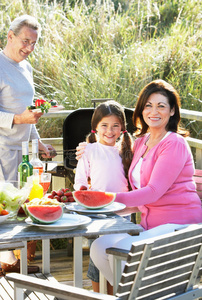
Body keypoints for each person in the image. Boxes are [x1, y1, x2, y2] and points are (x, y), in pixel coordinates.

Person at [77, 80, 202, 295]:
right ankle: (135, 294)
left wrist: (105, 198)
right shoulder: (142, 141)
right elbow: (114, 158)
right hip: (149, 227)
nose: (154, 111)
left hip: (178, 228)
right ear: (141, 110)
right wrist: (88, 149)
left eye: (161, 106)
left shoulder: (174, 143)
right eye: (148, 106)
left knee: (122, 254)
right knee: (98, 248)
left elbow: (153, 192)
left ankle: (144, 292)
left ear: (172, 111)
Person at [0, 14, 56, 274]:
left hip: (23, 152)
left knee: (19, 208)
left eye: (34, 43)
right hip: (1, 149)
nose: (29, 48)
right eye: (25, 41)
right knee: (4, 209)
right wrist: (18, 118)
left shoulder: (27, 67)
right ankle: (8, 265)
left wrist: (39, 141)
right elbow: (19, 115)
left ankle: (13, 264)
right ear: (9, 36)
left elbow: (28, 113)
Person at [74, 100, 133, 292]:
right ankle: (98, 295)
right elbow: (80, 182)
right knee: (95, 261)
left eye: (116, 125)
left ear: (123, 128)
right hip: (96, 215)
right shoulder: (88, 150)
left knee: (118, 255)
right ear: (95, 128)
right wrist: (83, 192)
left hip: (123, 214)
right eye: (104, 126)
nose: (110, 131)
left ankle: (116, 293)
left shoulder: (127, 150)